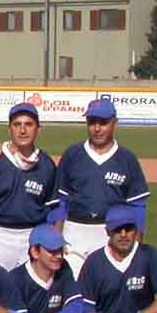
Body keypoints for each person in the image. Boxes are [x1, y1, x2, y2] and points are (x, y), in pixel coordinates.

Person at [56, 98, 151, 273]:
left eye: (103, 122)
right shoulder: (73, 154)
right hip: (74, 231)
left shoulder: (127, 159)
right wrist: (56, 238)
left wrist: (136, 246)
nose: (97, 128)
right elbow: (60, 201)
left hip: (111, 233)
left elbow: (138, 206)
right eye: (92, 122)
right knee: (72, 291)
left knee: (107, 291)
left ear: (114, 123)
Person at [0, 102, 61, 270]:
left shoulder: (46, 165)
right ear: (9, 129)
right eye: (17, 125)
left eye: (28, 124)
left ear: (38, 129)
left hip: (32, 235)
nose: (22, 130)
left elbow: (54, 209)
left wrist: (53, 240)